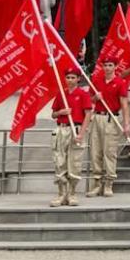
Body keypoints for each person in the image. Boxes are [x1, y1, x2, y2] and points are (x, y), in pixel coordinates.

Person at [49, 68, 93, 207]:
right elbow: (53, 114)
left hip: (76, 129)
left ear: (78, 79)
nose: (70, 80)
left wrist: (81, 133)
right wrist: (61, 112)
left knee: (74, 163)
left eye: (73, 77)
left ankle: (72, 193)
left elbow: (88, 114)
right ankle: (61, 194)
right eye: (68, 77)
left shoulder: (83, 94)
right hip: (62, 129)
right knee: (59, 161)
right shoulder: (61, 94)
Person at [87, 57, 130, 198]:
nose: (107, 68)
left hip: (111, 118)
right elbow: (89, 100)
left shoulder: (120, 82)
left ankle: (109, 183)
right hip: (97, 117)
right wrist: (95, 98)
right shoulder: (97, 81)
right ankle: (97, 183)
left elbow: (124, 104)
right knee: (95, 151)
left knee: (109, 151)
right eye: (105, 65)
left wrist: (126, 124)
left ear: (115, 67)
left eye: (110, 65)